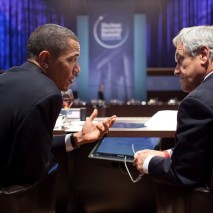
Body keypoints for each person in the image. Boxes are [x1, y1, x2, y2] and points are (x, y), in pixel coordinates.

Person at [0, 23, 116, 187]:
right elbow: (32, 172)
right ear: (45, 59)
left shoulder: (6, 77)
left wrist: (77, 138)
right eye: (71, 60)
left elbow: (27, 147)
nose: (78, 69)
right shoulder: (49, 94)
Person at [133, 25, 213, 212]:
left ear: (203, 54)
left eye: (180, 60)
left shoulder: (197, 102)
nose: (176, 71)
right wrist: (168, 154)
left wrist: (146, 162)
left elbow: (185, 174)